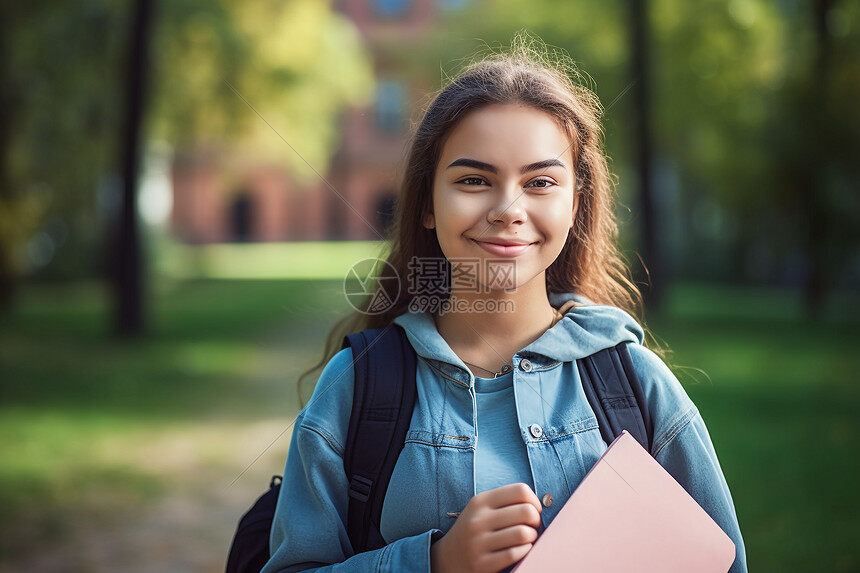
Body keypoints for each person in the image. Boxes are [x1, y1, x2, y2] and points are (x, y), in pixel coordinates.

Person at [261, 35, 747, 573]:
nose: (507, 209)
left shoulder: (635, 384)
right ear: (426, 203)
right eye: (474, 180)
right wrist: (435, 562)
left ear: (574, 205)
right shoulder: (357, 384)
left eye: (540, 182)